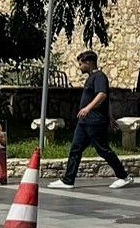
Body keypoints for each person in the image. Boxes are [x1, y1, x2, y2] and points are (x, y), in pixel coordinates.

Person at [48, 51, 133, 190]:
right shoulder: (91, 78)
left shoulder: (99, 77)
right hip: (84, 122)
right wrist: (110, 115)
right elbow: (107, 100)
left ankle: (124, 176)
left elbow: (102, 94)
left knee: (103, 149)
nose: (79, 67)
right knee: (75, 149)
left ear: (89, 62)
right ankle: (68, 180)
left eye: (81, 64)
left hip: (95, 121)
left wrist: (88, 108)